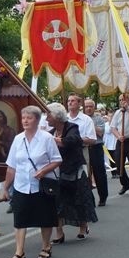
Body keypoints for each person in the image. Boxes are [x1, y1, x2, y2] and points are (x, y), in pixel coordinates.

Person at [1, 106, 62, 258]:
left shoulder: (46, 138)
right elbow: (11, 166)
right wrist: (5, 187)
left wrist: (43, 171)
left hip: (41, 185)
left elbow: (57, 160)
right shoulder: (18, 139)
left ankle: (46, 246)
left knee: (44, 217)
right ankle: (19, 252)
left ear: (37, 119)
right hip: (21, 185)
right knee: (20, 219)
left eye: (29, 118)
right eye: (23, 118)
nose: (25, 121)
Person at [46, 103, 97, 243]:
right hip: (58, 171)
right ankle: (59, 233)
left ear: (56, 116)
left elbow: (71, 140)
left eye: (48, 115)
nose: (46, 118)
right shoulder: (50, 132)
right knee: (57, 201)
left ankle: (83, 227)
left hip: (74, 169)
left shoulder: (72, 127)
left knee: (78, 199)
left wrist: (54, 141)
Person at [110, 93, 129, 197]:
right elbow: (113, 127)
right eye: (119, 100)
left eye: (123, 100)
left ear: (128, 100)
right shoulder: (118, 113)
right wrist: (118, 136)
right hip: (121, 141)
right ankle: (125, 184)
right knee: (118, 164)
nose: (121, 102)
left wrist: (128, 109)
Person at [83, 99, 108, 206]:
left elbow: (100, 133)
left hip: (96, 147)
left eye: (90, 106)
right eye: (86, 106)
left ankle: (103, 196)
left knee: (99, 173)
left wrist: (90, 123)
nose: (88, 108)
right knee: (85, 174)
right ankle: (89, 199)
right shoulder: (81, 119)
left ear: (94, 108)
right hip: (84, 148)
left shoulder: (99, 119)